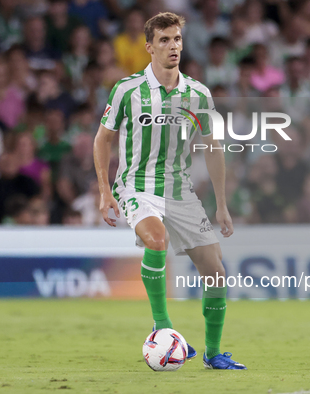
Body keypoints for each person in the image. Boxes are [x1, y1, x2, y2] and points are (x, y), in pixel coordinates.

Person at [93, 12, 246, 370]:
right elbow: (103, 140)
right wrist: (105, 191)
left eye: (177, 39)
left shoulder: (198, 94)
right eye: (164, 40)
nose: (173, 46)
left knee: (216, 273)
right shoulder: (127, 90)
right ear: (149, 47)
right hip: (136, 185)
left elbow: (213, 147)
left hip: (180, 191)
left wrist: (221, 204)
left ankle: (213, 353)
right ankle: (162, 326)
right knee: (156, 239)